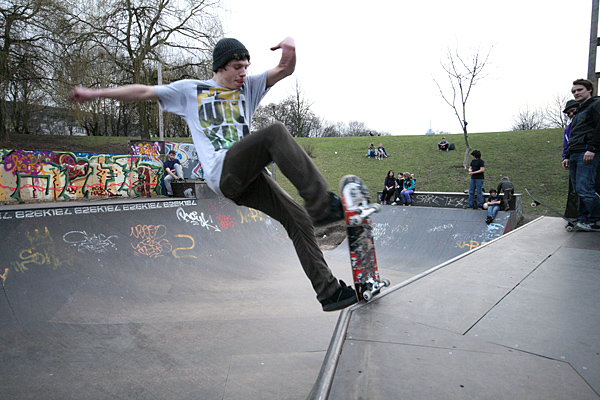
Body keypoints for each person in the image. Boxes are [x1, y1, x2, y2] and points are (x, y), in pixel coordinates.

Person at [69, 37, 358, 311]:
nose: (243, 73)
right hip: (224, 173)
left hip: (250, 177)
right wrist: (96, 93)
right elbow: (144, 91)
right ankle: (323, 207)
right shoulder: (191, 90)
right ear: (220, 67)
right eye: (237, 68)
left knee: (296, 219)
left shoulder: (249, 87)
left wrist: (290, 48)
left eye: (246, 67)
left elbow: (284, 69)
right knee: (275, 133)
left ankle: (329, 292)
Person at [562, 79, 600, 230]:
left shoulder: (596, 105)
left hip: (587, 152)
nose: (576, 93)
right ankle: (583, 219)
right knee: (578, 190)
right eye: (573, 91)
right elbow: (575, 135)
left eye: (579, 90)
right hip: (575, 154)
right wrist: (568, 156)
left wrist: (592, 148)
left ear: (589, 90)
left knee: (585, 188)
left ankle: (597, 219)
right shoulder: (578, 112)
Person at [561, 99, 580, 221]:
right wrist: (565, 157)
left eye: (572, 111)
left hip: (586, 156)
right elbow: (566, 144)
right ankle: (574, 214)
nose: (571, 114)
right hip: (573, 158)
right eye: (568, 113)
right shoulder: (568, 129)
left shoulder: (588, 123)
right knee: (574, 188)